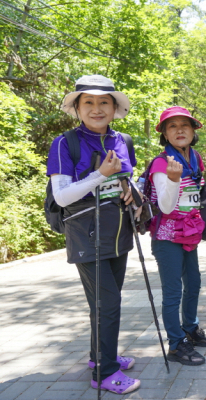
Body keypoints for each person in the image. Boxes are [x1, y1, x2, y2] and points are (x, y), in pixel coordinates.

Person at [47, 75, 140, 394]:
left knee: (102, 303)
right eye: (88, 101)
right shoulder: (64, 143)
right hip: (86, 233)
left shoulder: (123, 141)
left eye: (104, 102)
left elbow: (130, 177)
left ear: (115, 108)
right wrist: (100, 175)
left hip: (120, 232)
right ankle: (105, 372)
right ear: (77, 107)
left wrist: (131, 190)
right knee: (108, 303)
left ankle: (100, 355)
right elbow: (61, 197)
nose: (97, 108)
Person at [148, 106, 206, 366]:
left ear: (193, 130)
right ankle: (176, 344)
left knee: (195, 283)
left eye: (184, 125)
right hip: (167, 236)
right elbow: (165, 206)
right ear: (165, 134)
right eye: (172, 126)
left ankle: (191, 328)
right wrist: (174, 179)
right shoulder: (160, 163)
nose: (180, 130)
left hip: (189, 232)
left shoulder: (196, 158)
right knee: (173, 292)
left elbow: (198, 194)